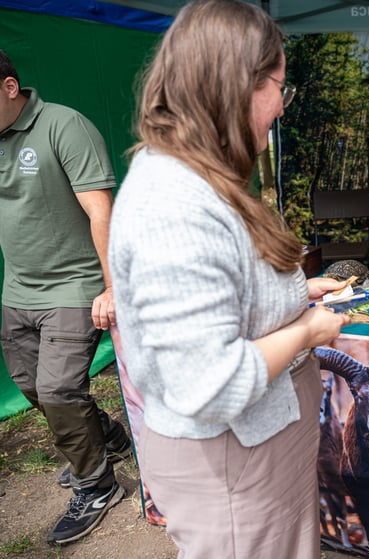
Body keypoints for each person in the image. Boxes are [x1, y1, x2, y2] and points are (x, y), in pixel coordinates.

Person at [107, 1, 350, 557]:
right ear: (237, 84)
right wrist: (307, 332)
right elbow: (206, 383)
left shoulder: (203, 174)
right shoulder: (174, 204)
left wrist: (294, 293)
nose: (282, 109)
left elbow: (226, 293)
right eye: (280, 89)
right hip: (231, 469)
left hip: (256, 453)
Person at [0, 50, 132, 545]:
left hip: (74, 285)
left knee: (58, 391)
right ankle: (108, 439)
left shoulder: (63, 126)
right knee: (31, 386)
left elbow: (102, 210)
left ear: (10, 88)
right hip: (18, 287)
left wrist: (112, 284)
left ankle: (98, 486)